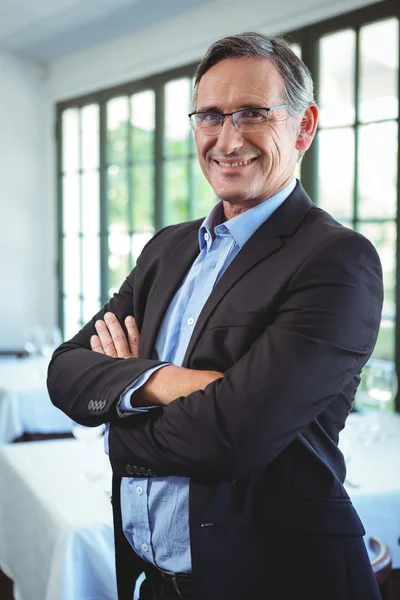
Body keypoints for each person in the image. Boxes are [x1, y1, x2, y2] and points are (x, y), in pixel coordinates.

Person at [48, 32, 384, 600]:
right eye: (210, 116)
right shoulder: (167, 249)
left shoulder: (337, 260)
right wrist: (167, 382)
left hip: (277, 580)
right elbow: (65, 370)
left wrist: (116, 421)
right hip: (154, 583)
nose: (228, 139)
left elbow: (233, 438)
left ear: (303, 127)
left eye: (253, 113)